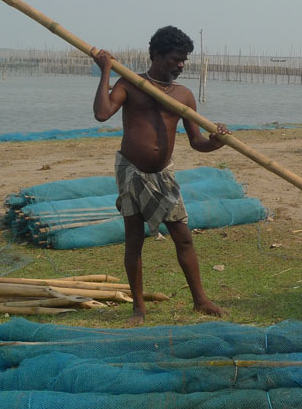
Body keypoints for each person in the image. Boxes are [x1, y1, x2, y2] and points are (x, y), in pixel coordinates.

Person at [92, 26, 229, 325]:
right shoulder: (130, 83)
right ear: (156, 55)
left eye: (184, 60)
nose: (181, 65)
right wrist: (105, 72)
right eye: (175, 59)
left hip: (163, 175)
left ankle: (200, 300)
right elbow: (102, 113)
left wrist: (216, 142)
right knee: (134, 239)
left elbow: (196, 141)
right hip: (131, 171)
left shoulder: (184, 96)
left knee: (183, 237)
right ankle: (139, 308)